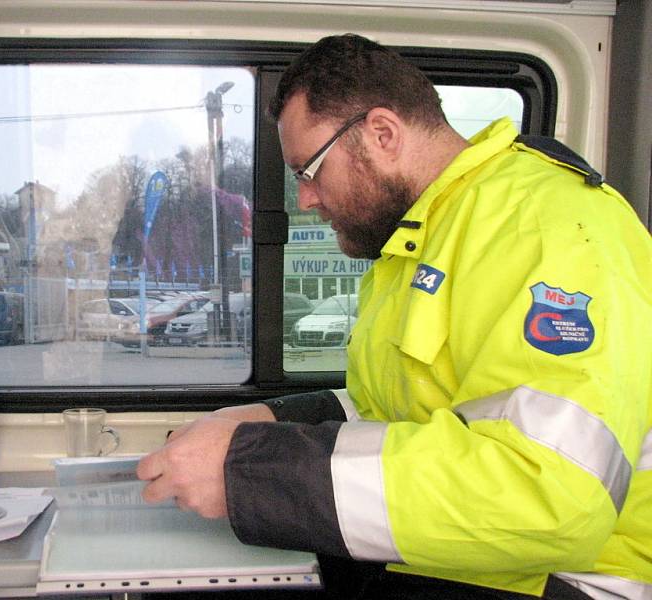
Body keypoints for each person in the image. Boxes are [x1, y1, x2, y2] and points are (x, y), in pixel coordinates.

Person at [138, 34, 652, 599]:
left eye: (308, 170)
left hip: (564, 578)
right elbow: (394, 414)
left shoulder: (548, 226)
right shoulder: (420, 240)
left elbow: (549, 498)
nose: (304, 199)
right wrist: (264, 421)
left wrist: (247, 473)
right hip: (461, 555)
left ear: (381, 134)